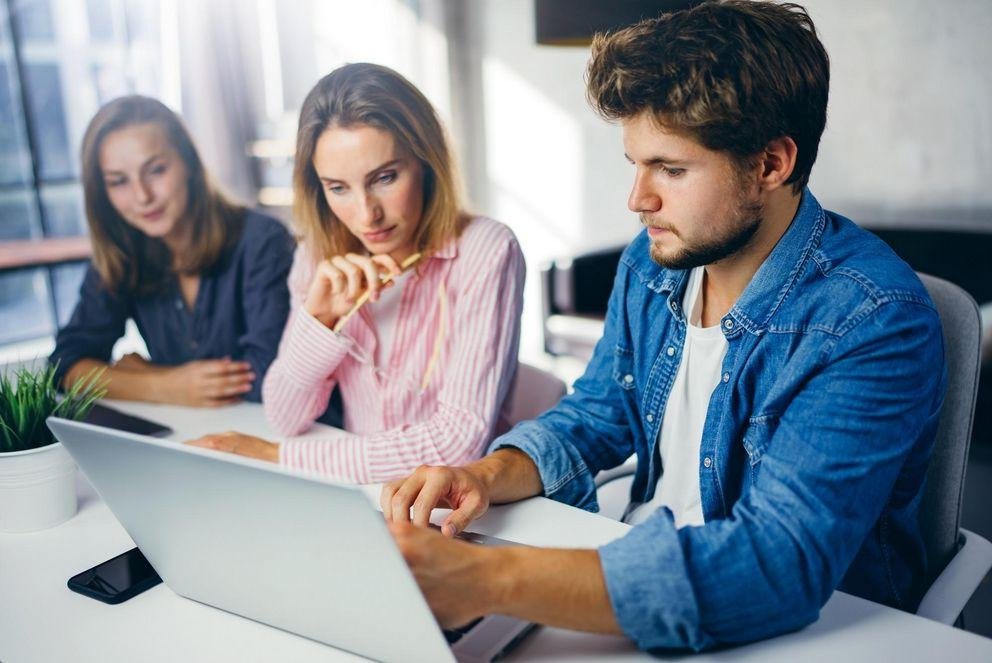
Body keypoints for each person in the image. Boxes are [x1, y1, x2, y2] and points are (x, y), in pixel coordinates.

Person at [380, 0, 946, 653]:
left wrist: (489, 578)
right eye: (635, 163)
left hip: (796, 632)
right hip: (637, 588)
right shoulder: (655, 266)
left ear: (771, 165)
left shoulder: (873, 322)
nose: (637, 198)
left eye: (671, 170)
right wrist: (485, 473)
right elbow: (597, 412)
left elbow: (776, 564)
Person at [189, 63, 525, 483]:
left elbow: (458, 442)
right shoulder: (316, 257)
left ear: (426, 162)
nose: (367, 215)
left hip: (458, 508)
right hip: (358, 497)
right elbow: (285, 416)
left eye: (385, 178)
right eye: (338, 188)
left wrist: (278, 457)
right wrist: (319, 321)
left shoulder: (486, 248)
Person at [50, 96, 295, 406]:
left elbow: (271, 380)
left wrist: (143, 372)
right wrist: (161, 385)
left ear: (189, 163)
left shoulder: (262, 240)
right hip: (186, 438)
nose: (142, 196)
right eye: (118, 181)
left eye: (156, 170)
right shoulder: (121, 251)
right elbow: (65, 365)